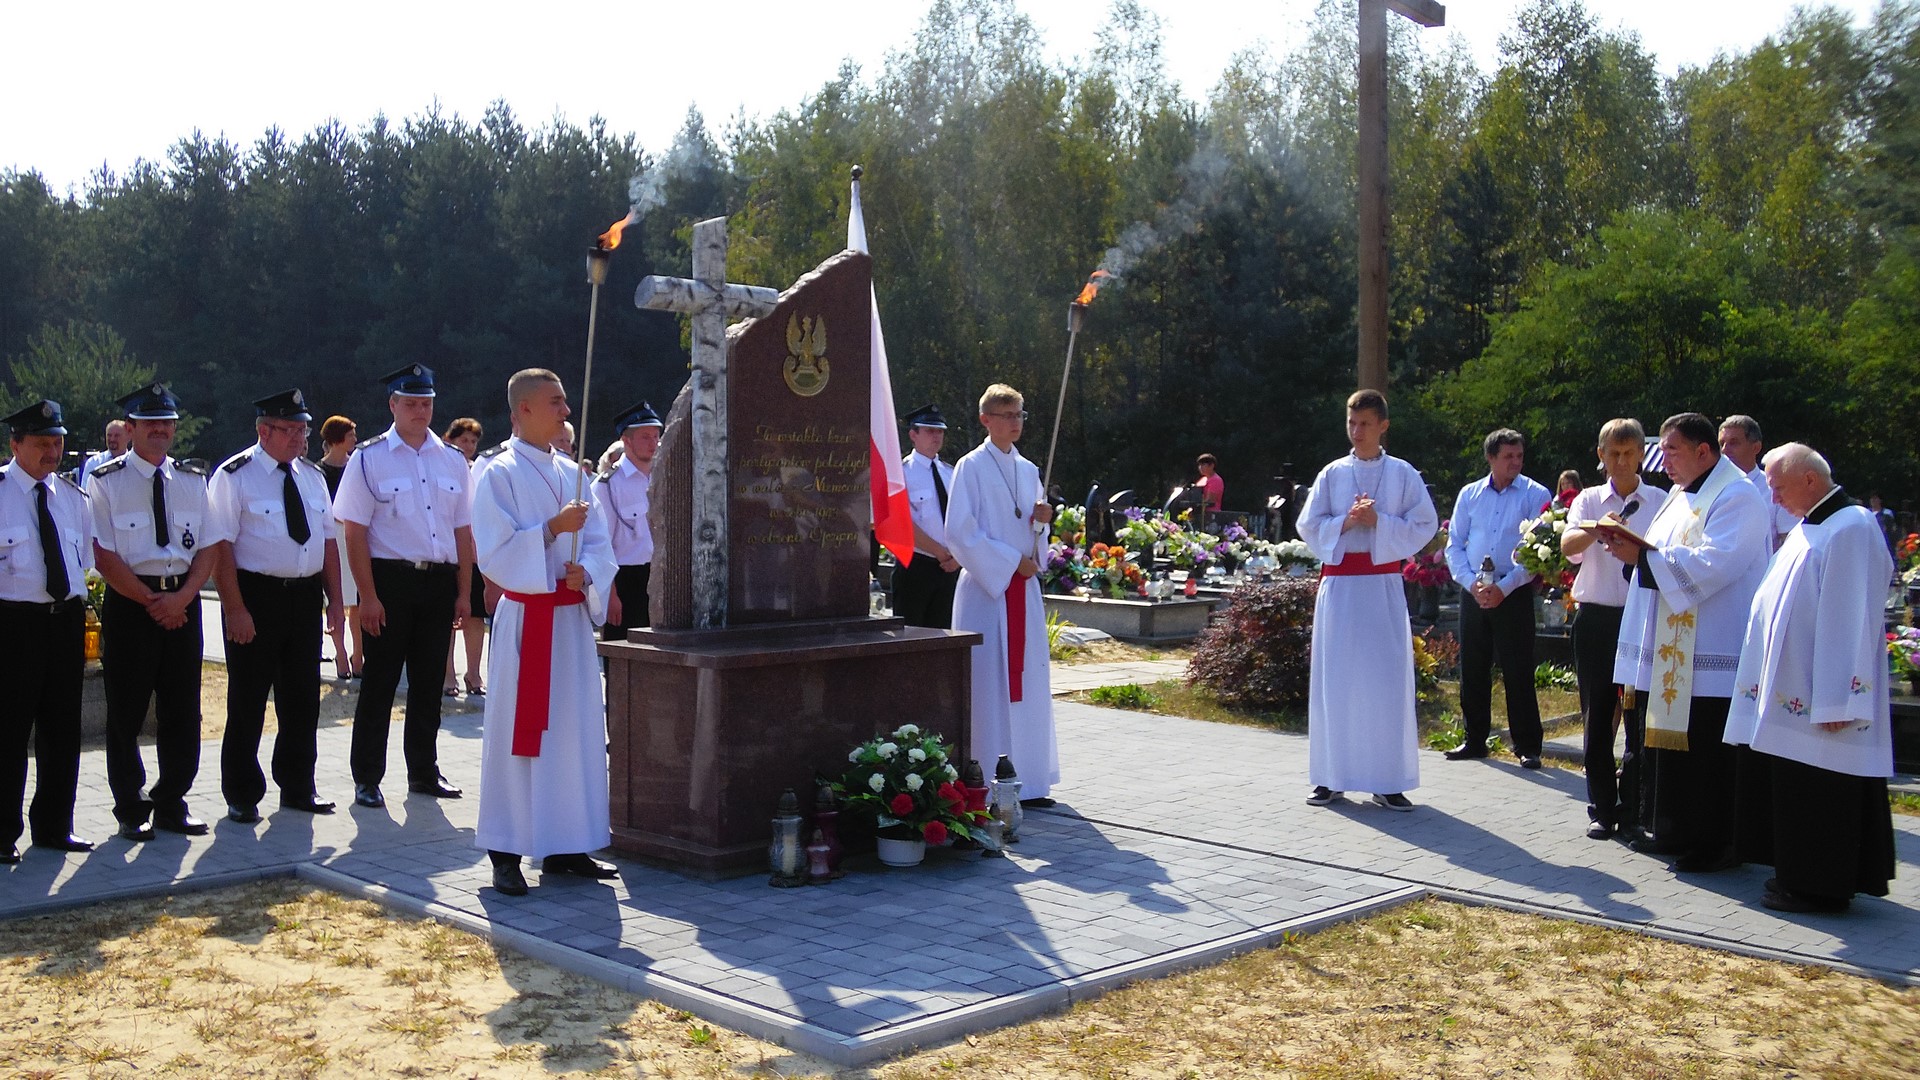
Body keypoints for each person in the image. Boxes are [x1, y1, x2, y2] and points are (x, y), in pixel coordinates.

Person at [1725, 444, 1898, 912]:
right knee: (1798, 791)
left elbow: (1850, 617)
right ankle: (1797, 876)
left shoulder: (1853, 526)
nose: (1773, 499)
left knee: (1824, 794)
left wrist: (1840, 700)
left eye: (1778, 488)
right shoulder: (1813, 524)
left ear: (1809, 480)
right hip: (1795, 691)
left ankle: (1820, 887)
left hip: (1827, 699)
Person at [1598, 412, 1769, 873]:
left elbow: (1717, 562)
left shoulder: (1739, 496)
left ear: (1703, 451)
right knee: (1675, 751)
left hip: (1714, 648)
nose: (1663, 459)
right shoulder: (1680, 493)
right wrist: (1630, 548)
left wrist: (1644, 558)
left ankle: (1716, 844)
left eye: (1672, 450)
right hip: (1676, 651)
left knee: (1708, 752)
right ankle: (1674, 830)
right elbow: (1660, 549)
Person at [471, 368, 618, 896]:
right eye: (555, 402)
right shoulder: (498, 473)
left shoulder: (574, 474)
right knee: (520, 735)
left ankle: (567, 845)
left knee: (574, 733)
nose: (566, 411)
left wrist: (590, 574)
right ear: (523, 411)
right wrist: (552, 530)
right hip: (527, 621)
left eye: (565, 402)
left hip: (570, 622)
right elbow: (494, 549)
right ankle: (506, 849)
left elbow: (601, 545)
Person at [333, 364, 474, 809]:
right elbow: (354, 533)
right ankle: (367, 777)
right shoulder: (369, 457)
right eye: (410, 402)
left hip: (438, 582)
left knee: (430, 683)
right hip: (389, 581)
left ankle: (423, 772)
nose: (419, 410)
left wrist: (464, 593)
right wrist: (367, 597)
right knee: (379, 682)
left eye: (426, 402)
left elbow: (464, 533)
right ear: (392, 404)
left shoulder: (452, 459)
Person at [207, 389, 346, 823]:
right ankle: (242, 793)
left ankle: (298, 785)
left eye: (303, 429)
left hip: (304, 596)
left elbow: (327, 542)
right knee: (248, 698)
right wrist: (234, 608)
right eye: (289, 430)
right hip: (256, 595)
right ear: (263, 430)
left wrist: (336, 603)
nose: (298, 438)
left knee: (302, 698)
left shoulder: (311, 475)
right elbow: (220, 547)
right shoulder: (235, 475)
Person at [88, 384, 220, 840]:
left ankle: (172, 802)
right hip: (132, 604)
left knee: (182, 708)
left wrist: (181, 599)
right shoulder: (105, 482)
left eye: (167, 423)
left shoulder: (192, 480)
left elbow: (209, 547)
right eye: (151, 424)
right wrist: (152, 603)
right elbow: (103, 555)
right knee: (126, 709)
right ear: (130, 429)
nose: (161, 431)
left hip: (182, 603)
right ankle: (130, 807)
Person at [1297, 389, 1438, 811]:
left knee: (1384, 682)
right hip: (1340, 588)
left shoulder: (1402, 474)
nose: (1357, 431)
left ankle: (1387, 779)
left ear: (1383, 426)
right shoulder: (1333, 474)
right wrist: (1346, 521)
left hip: (1381, 588)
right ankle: (1330, 777)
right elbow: (1309, 525)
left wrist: (1380, 522)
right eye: (1351, 423)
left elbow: (1424, 523)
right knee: (1335, 679)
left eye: (1365, 424)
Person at [946, 384, 1059, 803]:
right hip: (986, 590)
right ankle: (985, 779)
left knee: (1028, 678)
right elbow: (959, 531)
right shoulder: (969, 467)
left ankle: (1029, 780)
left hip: (1023, 591)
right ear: (985, 419)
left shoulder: (1029, 470)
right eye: (1006, 414)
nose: (1015, 422)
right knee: (988, 681)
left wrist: (1042, 523)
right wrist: (1011, 562)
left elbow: (1032, 532)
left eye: (1020, 414)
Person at [0, 399, 95, 860]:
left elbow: (85, 566)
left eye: (57, 442)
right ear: (15, 444)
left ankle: (55, 825)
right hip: (13, 624)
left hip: (64, 621)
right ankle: (1, 833)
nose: (52, 451)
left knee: (62, 728)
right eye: (42, 443)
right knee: (9, 730)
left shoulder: (73, 498)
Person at [1560, 420, 1659, 840]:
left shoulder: (1660, 499)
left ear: (1640, 455)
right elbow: (1568, 549)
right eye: (1613, 453)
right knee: (1598, 714)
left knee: (1640, 716)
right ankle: (1602, 806)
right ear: (1600, 456)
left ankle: (1636, 807)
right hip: (1598, 616)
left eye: (1628, 453)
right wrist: (1596, 529)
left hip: (1641, 615)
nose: (1621, 461)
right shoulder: (1587, 499)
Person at [1444, 428, 1549, 767]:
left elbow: (1538, 552)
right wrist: (1470, 583)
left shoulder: (1535, 494)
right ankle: (1474, 739)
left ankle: (1527, 746)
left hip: (1512, 591)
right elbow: (1454, 544)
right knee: (1472, 667)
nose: (1515, 463)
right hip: (1475, 591)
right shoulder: (1470, 494)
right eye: (1508, 457)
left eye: (1519, 456)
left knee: (1517, 669)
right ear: (1491, 458)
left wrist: (1504, 587)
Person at [592, 400, 661, 641]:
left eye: (656, 436)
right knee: (623, 663)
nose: (653, 443)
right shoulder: (608, 486)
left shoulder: (665, 477)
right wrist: (610, 595)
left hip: (661, 577)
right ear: (626, 440)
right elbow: (601, 546)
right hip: (625, 581)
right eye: (645, 437)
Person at [893, 404, 961, 629]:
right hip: (916, 567)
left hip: (950, 569)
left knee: (943, 639)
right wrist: (939, 553)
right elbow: (900, 522)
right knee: (911, 639)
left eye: (940, 431)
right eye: (930, 430)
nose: (936, 436)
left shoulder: (951, 473)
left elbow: (964, 517)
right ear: (913, 434)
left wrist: (958, 558)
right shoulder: (901, 473)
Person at [442, 417, 488, 698]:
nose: (469, 446)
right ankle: (447, 674)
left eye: (473, 441)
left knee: (475, 617)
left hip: (477, 556)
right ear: (450, 440)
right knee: (448, 617)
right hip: (450, 555)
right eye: (463, 441)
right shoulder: (445, 467)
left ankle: (474, 672)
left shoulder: (482, 469)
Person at [317, 415, 362, 681]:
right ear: (338, 438)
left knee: (356, 600)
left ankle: (358, 655)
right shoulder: (318, 471)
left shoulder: (356, 466)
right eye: (351, 435)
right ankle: (341, 654)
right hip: (332, 536)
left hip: (355, 537)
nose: (355, 439)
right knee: (335, 600)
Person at [1718, 415, 1795, 550]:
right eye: (1721, 444)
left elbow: (1790, 542)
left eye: (1733, 443)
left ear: (1756, 447)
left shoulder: (1775, 489)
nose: (1725, 450)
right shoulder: (1710, 489)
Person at [77, 419, 130, 489]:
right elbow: (85, 494)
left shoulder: (133, 462)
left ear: (128, 437)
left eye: (117, 436)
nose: (112, 439)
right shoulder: (94, 463)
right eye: (109, 435)